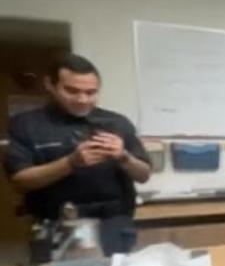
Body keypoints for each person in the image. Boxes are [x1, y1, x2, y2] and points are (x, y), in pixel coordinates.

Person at [4, 54, 151, 255]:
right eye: (71, 91)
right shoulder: (26, 124)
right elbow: (20, 181)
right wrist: (71, 162)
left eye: (91, 92)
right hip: (55, 225)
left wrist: (124, 156)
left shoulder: (117, 122)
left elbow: (143, 175)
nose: (82, 100)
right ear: (50, 85)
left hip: (113, 225)